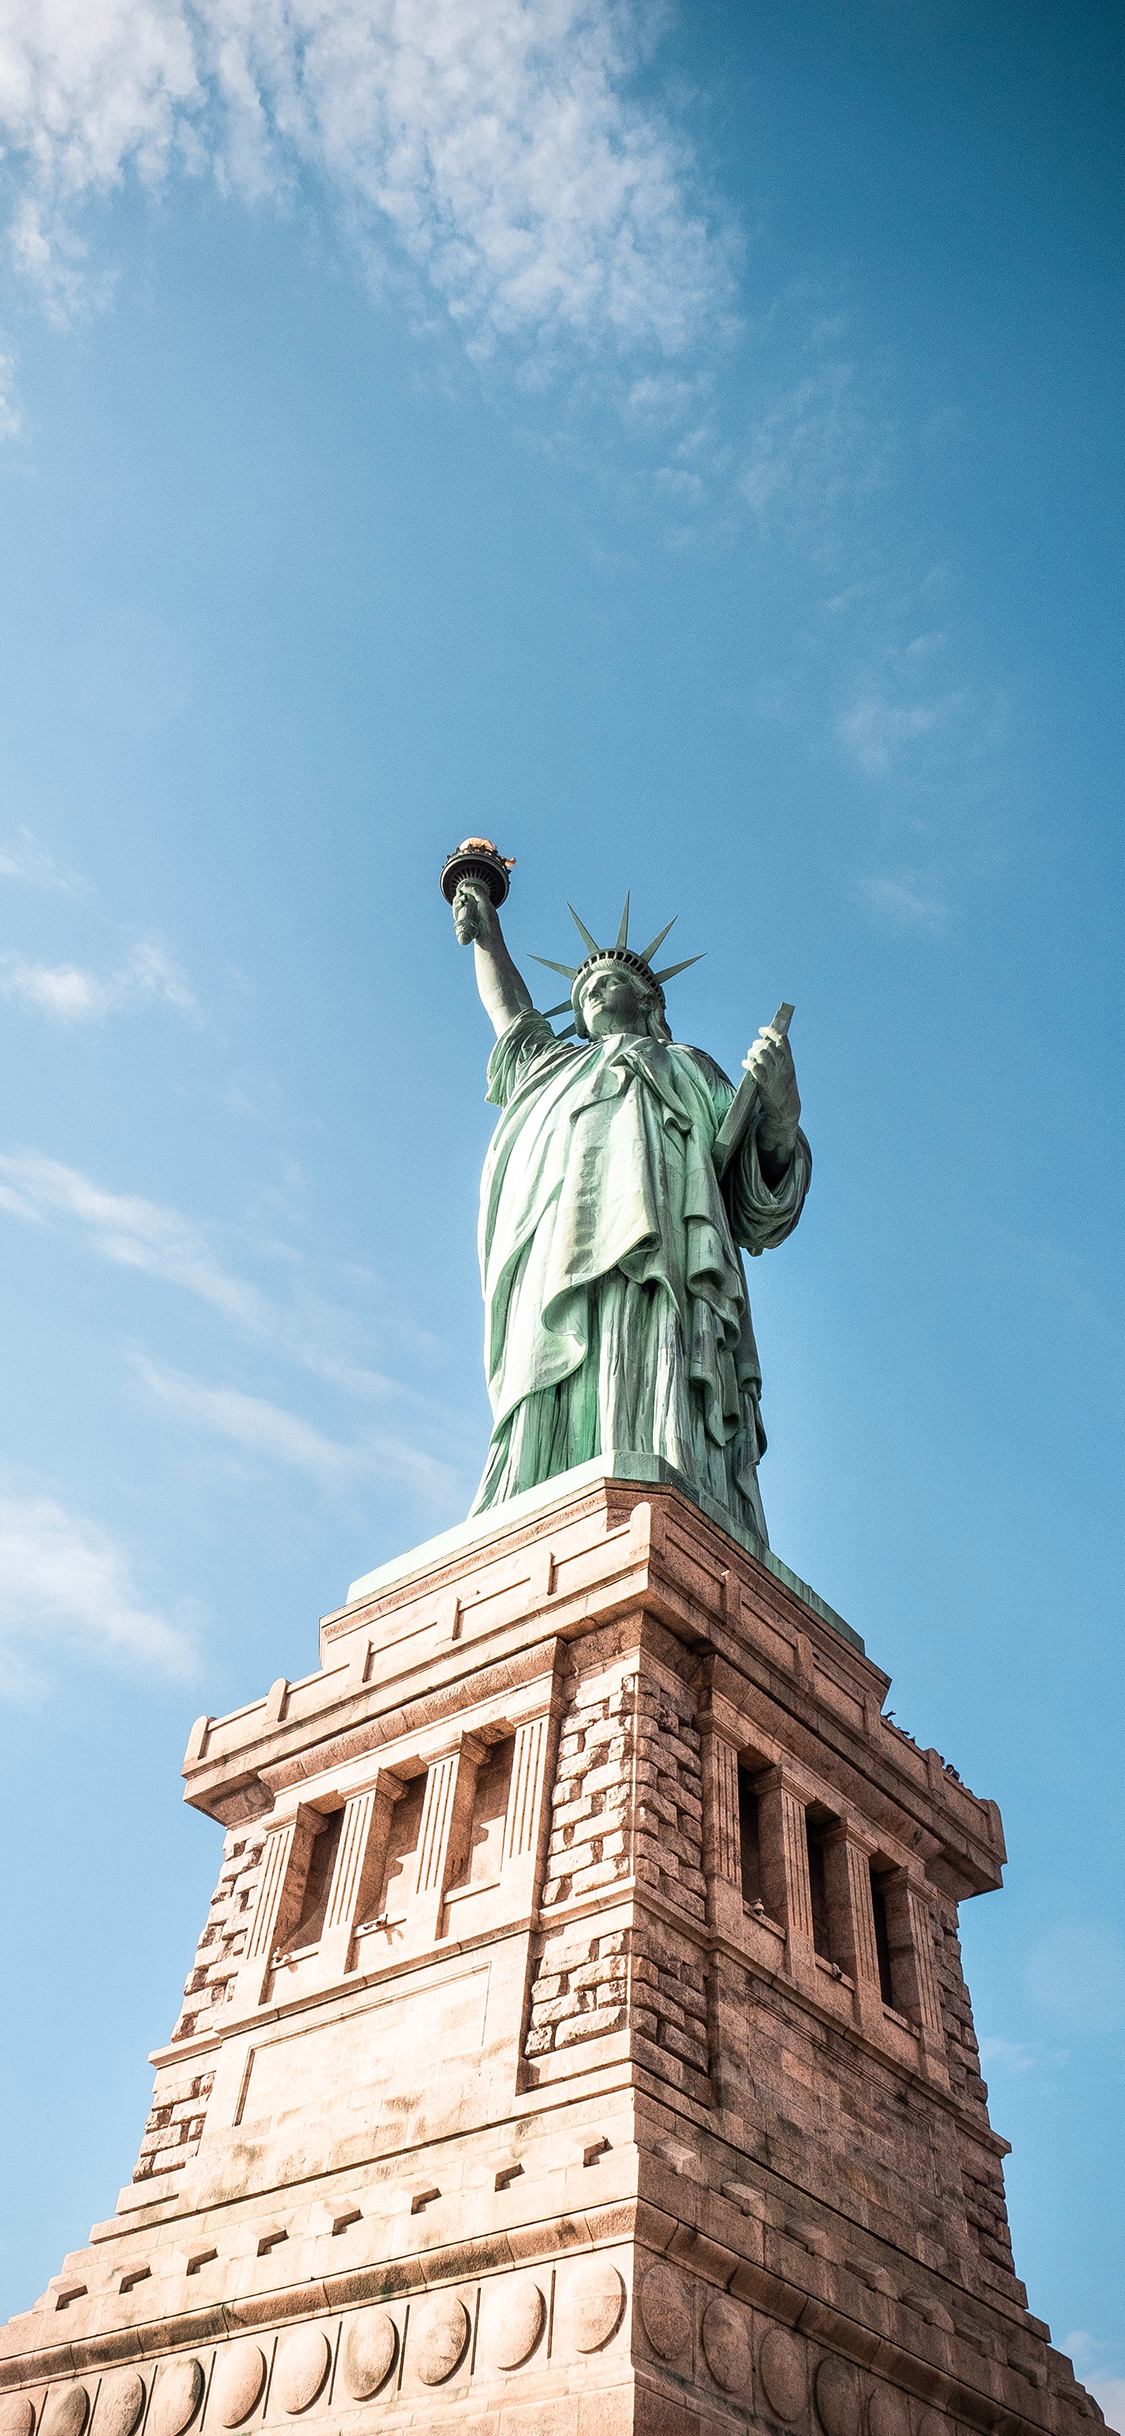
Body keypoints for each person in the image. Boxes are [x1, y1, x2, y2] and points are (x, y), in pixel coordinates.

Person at [452, 873, 811, 1543]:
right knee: (556, 1360)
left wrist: (780, 1115)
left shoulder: (685, 1066)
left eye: (609, 980)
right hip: (559, 1248)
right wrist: (487, 934)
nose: (592, 990)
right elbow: (511, 1015)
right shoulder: (551, 1068)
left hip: (668, 1254)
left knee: (651, 1356)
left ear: (648, 1002)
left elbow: (756, 1197)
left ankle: (668, 1464)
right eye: (583, 988)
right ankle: (536, 1484)